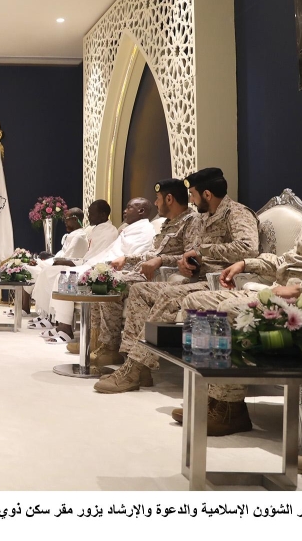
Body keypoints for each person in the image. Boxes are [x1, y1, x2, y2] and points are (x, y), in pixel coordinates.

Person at [173, 140, 302, 477]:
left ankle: (230, 408)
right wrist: (246, 264)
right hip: (285, 295)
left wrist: (300, 288)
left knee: (229, 311)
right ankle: (221, 400)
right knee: (198, 302)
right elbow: (288, 261)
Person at [94, 167, 259, 394]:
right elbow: (192, 252)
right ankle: (138, 367)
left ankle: (133, 369)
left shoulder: (237, 213)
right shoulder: (203, 217)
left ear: (207, 194)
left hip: (222, 283)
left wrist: (202, 252)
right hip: (198, 279)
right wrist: (187, 262)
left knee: (168, 295)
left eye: (193, 194)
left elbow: (248, 248)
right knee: (140, 290)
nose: (190, 200)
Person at [89, 179, 197, 367]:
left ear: (169, 199)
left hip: (161, 276)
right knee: (101, 280)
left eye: (158, 198)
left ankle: (111, 347)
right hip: (144, 270)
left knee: (110, 285)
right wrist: (127, 258)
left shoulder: (191, 221)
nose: (155, 203)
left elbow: (190, 257)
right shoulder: (168, 223)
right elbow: (152, 253)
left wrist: (161, 260)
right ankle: (97, 342)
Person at [33, 198, 156, 330]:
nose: (124, 211)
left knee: (67, 276)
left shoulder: (145, 231)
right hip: (100, 264)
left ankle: (64, 329)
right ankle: (59, 323)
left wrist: (98, 267)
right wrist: (89, 264)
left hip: (116, 270)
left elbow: (133, 258)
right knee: (63, 274)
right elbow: (106, 252)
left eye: (129, 208)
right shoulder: (128, 229)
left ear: (141, 211)